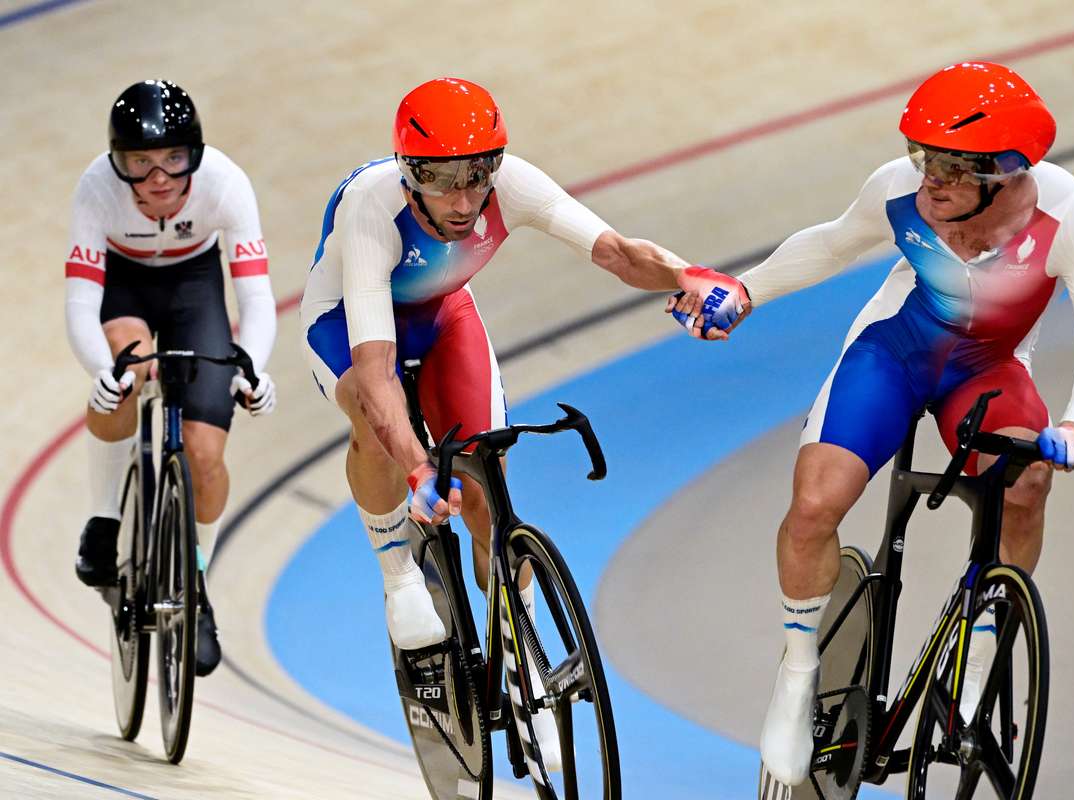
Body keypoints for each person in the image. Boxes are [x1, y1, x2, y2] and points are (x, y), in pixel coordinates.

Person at [668, 61, 1074, 785]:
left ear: (1003, 172)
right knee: (815, 505)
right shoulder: (899, 191)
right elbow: (830, 243)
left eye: (948, 166)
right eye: (924, 158)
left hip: (985, 371)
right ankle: (796, 674)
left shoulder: (1070, 216)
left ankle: (980, 650)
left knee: (1030, 482)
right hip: (895, 351)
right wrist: (745, 290)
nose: (928, 179)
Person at [300, 76, 690, 768]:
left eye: (475, 177)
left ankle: (524, 650)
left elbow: (620, 254)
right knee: (371, 410)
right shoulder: (370, 209)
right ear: (408, 174)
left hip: (443, 313)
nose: (462, 199)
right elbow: (378, 366)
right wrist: (418, 469)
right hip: (352, 330)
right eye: (441, 180)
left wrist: (694, 277)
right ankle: (398, 576)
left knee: (487, 488)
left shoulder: (513, 186)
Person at [66, 79, 278, 677]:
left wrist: (252, 367)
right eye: (140, 163)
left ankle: (196, 577)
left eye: (172, 160)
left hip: (194, 286)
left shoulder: (227, 184)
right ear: (118, 163)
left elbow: (256, 298)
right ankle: (107, 519)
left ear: (196, 156)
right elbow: (82, 304)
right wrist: (100, 371)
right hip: (124, 284)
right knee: (123, 365)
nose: (158, 178)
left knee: (207, 456)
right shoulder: (96, 189)